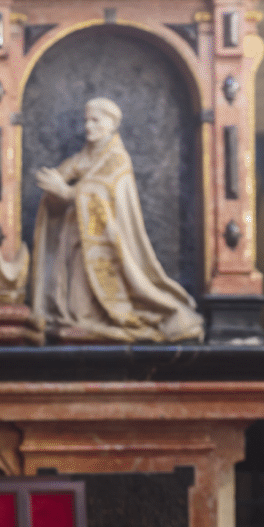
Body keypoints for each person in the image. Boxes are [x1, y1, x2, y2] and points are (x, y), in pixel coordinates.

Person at [31, 97, 204, 343]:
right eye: (86, 120)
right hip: (78, 241)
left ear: (111, 124)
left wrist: (67, 192)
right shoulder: (85, 156)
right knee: (76, 308)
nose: (88, 126)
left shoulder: (117, 159)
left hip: (106, 247)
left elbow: (98, 190)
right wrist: (54, 186)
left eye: (95, 120)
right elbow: (65, 174)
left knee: (87, 310)